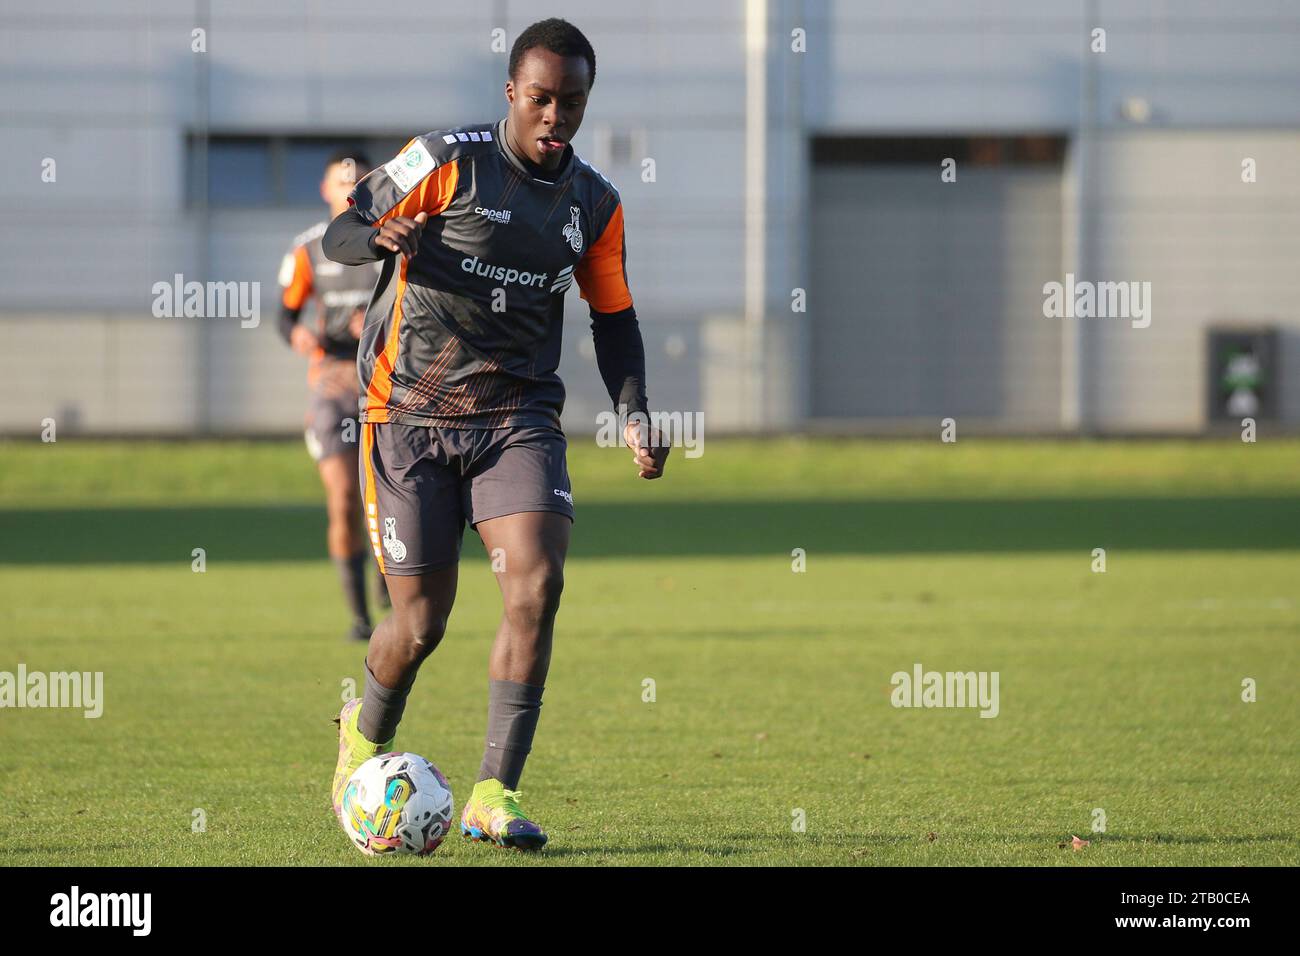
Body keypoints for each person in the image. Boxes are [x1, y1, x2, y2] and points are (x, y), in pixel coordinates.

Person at [322, 17, 669, 850]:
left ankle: (494, 792)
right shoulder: (443, 160)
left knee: (536, 587)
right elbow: (342, 233)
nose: (556, 117)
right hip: (407, 415)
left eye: (573, 103)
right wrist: (377, 238)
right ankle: (361, 738)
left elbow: (614, 319)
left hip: (517, 418)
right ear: (512, 92)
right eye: (541, 99)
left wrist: (635, 413)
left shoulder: (593, 204)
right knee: (421, 622)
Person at [278, 150, 389, 643]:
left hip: (387, 386)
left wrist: (382, 329)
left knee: (390, 496)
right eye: (338, 180)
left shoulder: (392, 239)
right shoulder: (306, 250)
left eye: (355, 181)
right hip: (332, 387)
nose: (346, 187)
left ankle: (393, 575)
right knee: (344, 499)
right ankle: (359, 617)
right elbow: (285, 314)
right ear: (324, 190)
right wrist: (297, 336)